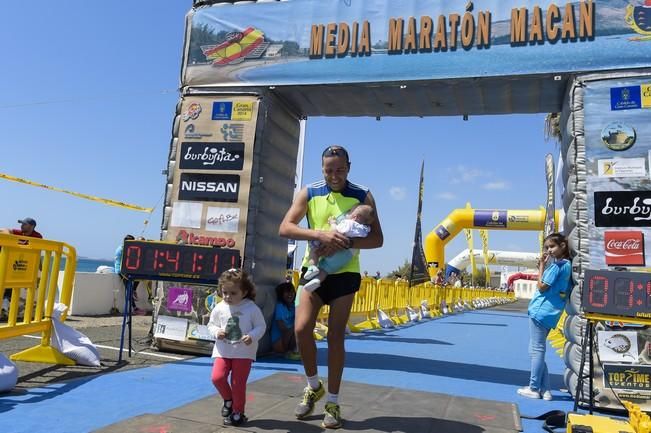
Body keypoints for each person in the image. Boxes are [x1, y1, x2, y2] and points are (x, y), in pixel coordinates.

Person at [279, 144, 383, 429]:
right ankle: (314, 386)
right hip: (313, 269)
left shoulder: (363, 195)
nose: (334, 175)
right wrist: (319, 234)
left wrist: (346, 241)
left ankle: (333, 402)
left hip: (345, 274)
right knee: (301, 330)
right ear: (322, 169)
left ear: (349, 167)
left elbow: (377, 240)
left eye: (339, 170)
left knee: (336, 336)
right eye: (328, 170)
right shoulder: (310, 192)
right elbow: (285, 227)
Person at [208, 269, 265, 426]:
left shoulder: (251, 308)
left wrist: (252, 336)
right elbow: (211, 324)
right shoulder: (220, 307)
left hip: (243, 353)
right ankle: (228, 400)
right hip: (223, 350)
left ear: (244, 291)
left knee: (238, 384)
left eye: (233, 293)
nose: (228, 297)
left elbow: (261, 326)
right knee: (217, 378)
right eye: (225, 292)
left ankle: (238, 411)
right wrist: (216, 331)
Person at [518, 233, 572, 401]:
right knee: (536, 350)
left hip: (540, 311)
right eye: (547, 247)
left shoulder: (557, 266)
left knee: (536, 350)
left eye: (552, 246)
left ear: (563, 246)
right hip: (552, 313)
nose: (549, 250)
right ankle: (545, 389)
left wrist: (541, 265)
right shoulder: (568, 265)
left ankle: (534, 387)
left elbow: (541, 287)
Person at [302, 204, 375, 292]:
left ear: (355, 217)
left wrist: (333, 223)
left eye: (350, 213)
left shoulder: (349, 223)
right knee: (325, 269)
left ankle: (312, 267)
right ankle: (317, 280)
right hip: (347, 256)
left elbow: (336, 232)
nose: (347, 215)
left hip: (335, 250)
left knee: (314, 250)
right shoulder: (365, 230)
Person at [114, 235, 144, 315]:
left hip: (126, 270)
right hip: (121, 271)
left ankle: (134, 291)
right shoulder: (122, 249)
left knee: (138, 278)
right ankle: (134, 308)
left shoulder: (125, 248)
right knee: (128, 289)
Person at [271, 282, 300, 359]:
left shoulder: (293, 306)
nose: (290, 294)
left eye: (292, 292)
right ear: (281, 294)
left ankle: (295, 350)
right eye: (287, 292)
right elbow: (282, 328)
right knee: (298, 328)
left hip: (288, 338)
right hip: (278, 343)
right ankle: (294, 350)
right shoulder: (280, 306)